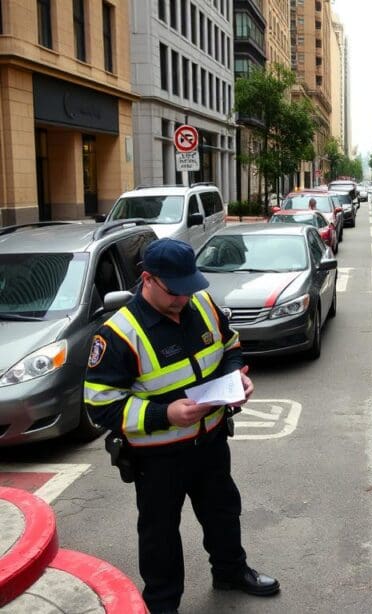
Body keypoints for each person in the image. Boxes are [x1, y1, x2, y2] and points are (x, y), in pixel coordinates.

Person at [83, 238, 279, 614]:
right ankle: (162, 603)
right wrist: (164, 415)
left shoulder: (200, 303)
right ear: (147, 279)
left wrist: (236, 377)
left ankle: (230, 571)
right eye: (175, 291)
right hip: (158, 457)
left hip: (210, 441)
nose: (183, 299)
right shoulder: (118, 333)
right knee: (159, 534)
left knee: (223, 511)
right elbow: (100, 405)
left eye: (189, 288)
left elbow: (230, 346)